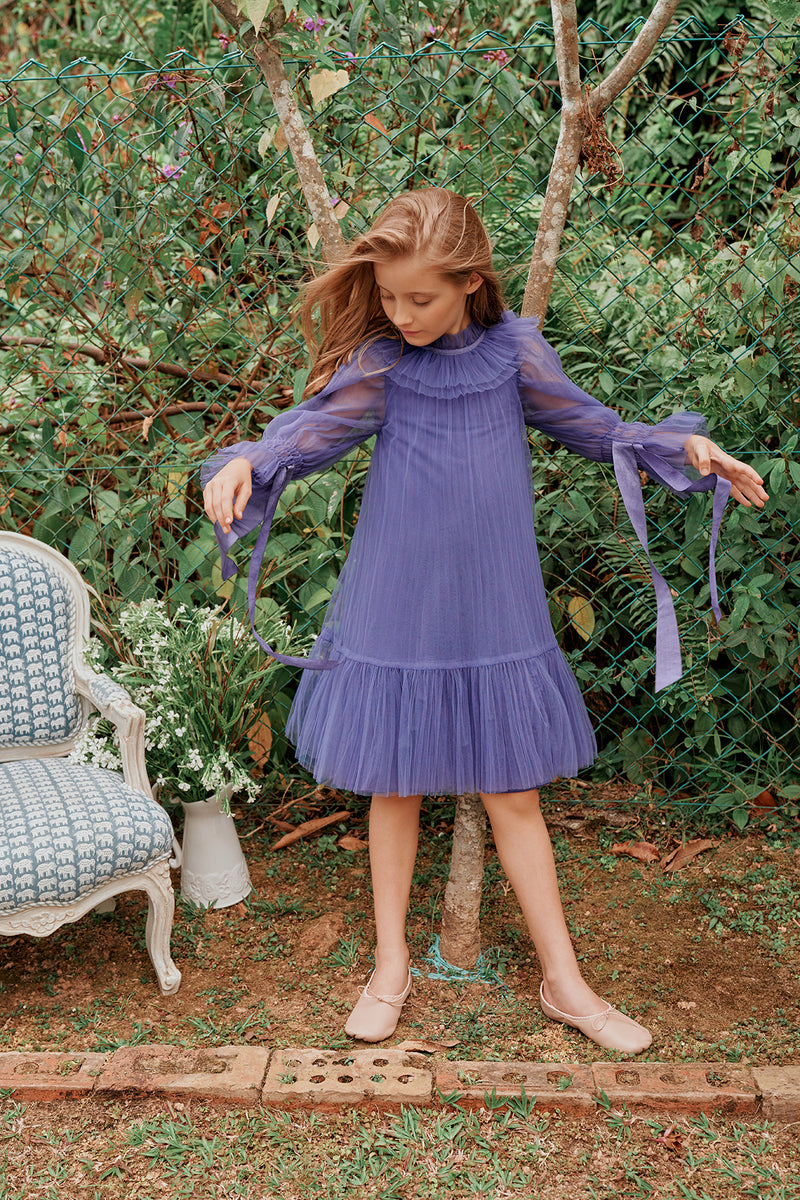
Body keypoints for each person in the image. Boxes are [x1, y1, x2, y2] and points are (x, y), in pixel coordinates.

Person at [202, 188, 767, 1054]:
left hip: (494, 599)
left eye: (419, 298)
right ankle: (389, 966)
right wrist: (249, 459)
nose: (401, 314)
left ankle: (565, 982)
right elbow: (309, 433)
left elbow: (596, 427)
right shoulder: (385, 363)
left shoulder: (514, 355)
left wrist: (683, 447)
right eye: (388, 297)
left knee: (513, 793)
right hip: (397, 592)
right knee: (392, 783)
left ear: (471, 282)